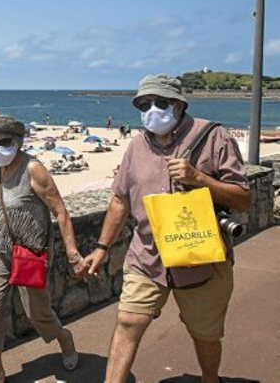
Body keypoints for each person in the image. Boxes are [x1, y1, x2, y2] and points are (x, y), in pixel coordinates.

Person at [83, 74, 251, 383]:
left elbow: (243, 198)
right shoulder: (136, 145)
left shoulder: (214, 137)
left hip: (202, 259)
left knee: (205, 334)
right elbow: (120, 199)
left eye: (160, 102)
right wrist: (102, 247)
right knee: (128, 322)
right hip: (147, 258)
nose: (151, 110)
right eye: (144, 104)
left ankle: (210, 379)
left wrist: (199, 179)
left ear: (179, 105)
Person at [0, 115, 87, 382]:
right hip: (0, 251)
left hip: (31, 253)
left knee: (37, 312)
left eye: (4, 141)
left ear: (18, 141)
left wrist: (73, 254)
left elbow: (61, 212)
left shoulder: (33, 169)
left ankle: (64, 337)